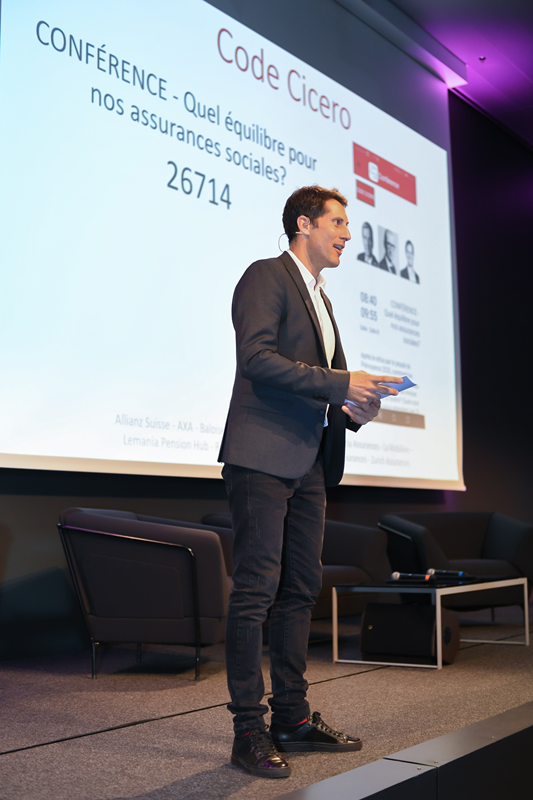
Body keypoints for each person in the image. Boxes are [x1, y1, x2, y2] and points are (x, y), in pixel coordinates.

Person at [218, 186, 402, 779]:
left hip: (310, 462)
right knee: (255, 591)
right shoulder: (266, 276)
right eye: (338, 222)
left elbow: (325, 385)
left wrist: (357, 406)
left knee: (300, 589)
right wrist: (341, 382)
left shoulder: (322, 298)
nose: (348, 234)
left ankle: (292, 719)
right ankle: (248, 730)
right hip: (261, 455)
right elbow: (256, 359)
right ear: (304, 224)